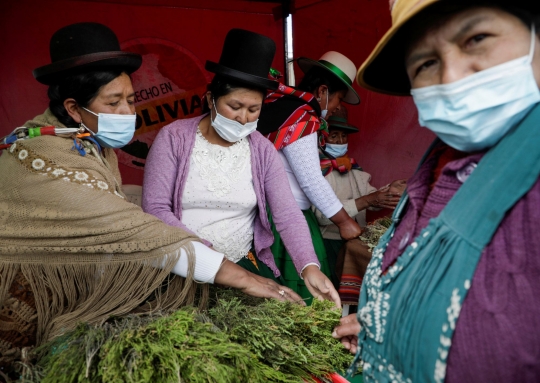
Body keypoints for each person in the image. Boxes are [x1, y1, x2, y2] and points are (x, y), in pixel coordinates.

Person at [0, 23, 304, 371]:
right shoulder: (44, 158)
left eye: (131, 99)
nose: (130, 113)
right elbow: (133, 228)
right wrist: (240, 277)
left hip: (213, 261)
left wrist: (298, 266)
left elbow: (286, 213)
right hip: (26, 299)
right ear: (73, 108)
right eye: (114, 102)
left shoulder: (89, 142)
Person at [333, 1, 540, 382]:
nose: (452, 76)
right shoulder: (434, 168)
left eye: (477, 38)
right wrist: (389, 330)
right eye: (425, 63)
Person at [142, 29, 340, 307]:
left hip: (244, 264)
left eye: (253, 109)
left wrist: (310, 266)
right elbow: (156, 209)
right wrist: (216, 265)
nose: (243, 118)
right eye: (234, 106)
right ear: (211, 99)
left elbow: (287, 215)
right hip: (181, 266)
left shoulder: (261, 150)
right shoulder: (173, 138)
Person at [257, 51, 363, 301]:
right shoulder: (301, 117)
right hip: (285, 219)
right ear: (323, 92)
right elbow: (311, 179)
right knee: (301, 294)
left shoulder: (282, 108)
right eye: (338, 99)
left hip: (271, 211)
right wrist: (345, 222)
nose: (337, 108)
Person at [314, 106, 405, 296]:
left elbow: (371, 196)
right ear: (322, 139)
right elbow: (323, 216)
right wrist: (368, 199)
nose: (340, 141)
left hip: (356, 241)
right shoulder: (316, 172)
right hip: (328, 243)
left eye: (343, 137)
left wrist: (390, 190)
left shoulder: (353, 169)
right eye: (334, 136)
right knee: (329, 293)